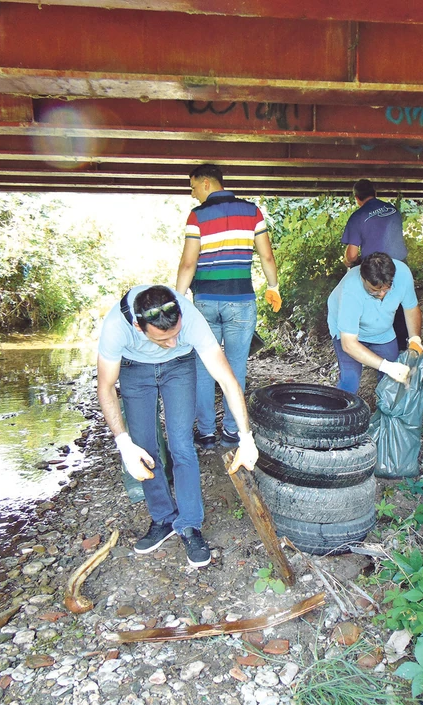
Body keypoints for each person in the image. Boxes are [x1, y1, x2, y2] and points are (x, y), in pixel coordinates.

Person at [97, 285, 259, 567]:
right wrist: (123, 444)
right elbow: (106, 386)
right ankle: (163, 518)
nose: (172, 341)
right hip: (134, 370)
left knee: (182, 445)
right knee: (144, 448)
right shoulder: (116, 326)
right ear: (138, 326)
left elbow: (228, 381)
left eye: (176, 334)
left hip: (180, 368)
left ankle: (190, 525)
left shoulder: (191, 317)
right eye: (163, 338)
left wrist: (246, 437)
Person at [176, 164, 280, 451]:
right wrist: (273, 287)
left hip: (206, 300)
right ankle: (232, 432)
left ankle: (206, 433)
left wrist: (180, 297)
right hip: (241, 301)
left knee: (205, 366)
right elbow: (267, 257)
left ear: (207, 183)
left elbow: (188, 263)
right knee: (236, 367)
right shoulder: (252, 212)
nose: (193, 193)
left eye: (194, 187)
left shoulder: (198, 216)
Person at [327, 251, 423, 394]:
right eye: (374, 291)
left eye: (386, 289)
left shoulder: (402, 274)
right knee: (350, 379)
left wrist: (415, 339)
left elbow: (411, 308)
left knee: (393, 379)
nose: (381, 295)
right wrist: (386, 366)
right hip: (349, 333)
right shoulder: (351, 291)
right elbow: (349, 344)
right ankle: (339, 414)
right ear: (363, 279)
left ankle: (385, 413)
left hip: (382, 330)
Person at [341, 179, 410, 350]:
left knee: (379, 307)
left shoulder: (357, 217)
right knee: (402, 306)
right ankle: (404, 348)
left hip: (376, 269)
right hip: (401, 266)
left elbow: (352, 254)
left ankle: (377, 349)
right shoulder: (392, 210)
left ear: (357, 198)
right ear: (375, 193)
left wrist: (348, 262)